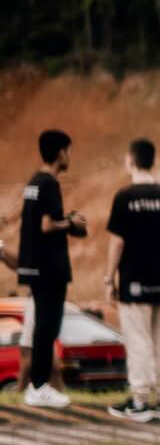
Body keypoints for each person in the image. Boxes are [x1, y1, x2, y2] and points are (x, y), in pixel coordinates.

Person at [103, 139, 160, 423]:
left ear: (131, 160)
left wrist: (108, 277)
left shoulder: (125, 197)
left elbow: (117, 242)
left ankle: (140, 400)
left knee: (139, 340)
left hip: (134, 281)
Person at [16, 130, 85, 409]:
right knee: (48, 327)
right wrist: (72, 223)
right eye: (67, 150)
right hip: (50, 269)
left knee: (41, 328)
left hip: (33, 266)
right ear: (59, 153)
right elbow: (47, 225)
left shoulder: (33, 183)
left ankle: (37, 386)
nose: (69, 156)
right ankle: (39, 386)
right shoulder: (50, 184)